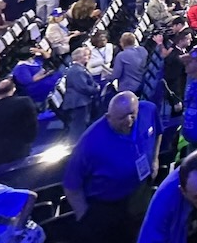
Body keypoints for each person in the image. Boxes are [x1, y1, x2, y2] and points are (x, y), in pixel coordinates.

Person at [63, 91, 162, 243]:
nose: (128, 121)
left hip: (140, 192)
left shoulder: (148, 110)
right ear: (108, 117)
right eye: (121, 118)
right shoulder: (90, 142)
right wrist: (86, 218)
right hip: (107, 205)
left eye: (132, 114)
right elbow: (71, 186)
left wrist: (155, 159)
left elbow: (158, 130)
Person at [60, 47, 102, 132]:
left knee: (83, 125)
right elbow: (83, 87)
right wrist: (96, 89)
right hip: (78, 103)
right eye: (86, 55)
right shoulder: (76, 70)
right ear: (80, 57)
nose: (89, 57)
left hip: (82, 101)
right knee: (78, 128)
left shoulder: (80, 68)